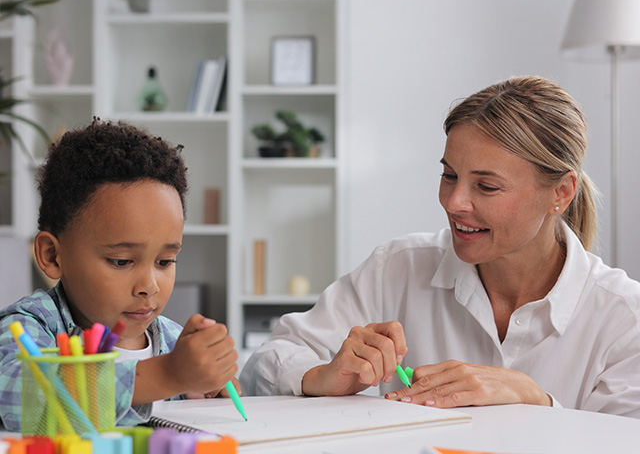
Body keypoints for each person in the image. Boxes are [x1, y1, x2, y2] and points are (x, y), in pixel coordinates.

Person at [240, 76, 640, 418]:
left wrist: (538, 402)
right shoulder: (396, 268)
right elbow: (263, 365)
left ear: (561, 192)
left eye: (486, 186)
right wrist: (322, 376)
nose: (454, 203)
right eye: (449, 176)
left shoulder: (625, 319)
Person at [0, 118, 239, 431]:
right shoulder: (31, 325)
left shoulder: (171, 339)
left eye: (165, 261)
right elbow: (17, 397)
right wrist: (167, 376)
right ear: (52, 255)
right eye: (121, 261)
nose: (148, 286)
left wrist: (211, 383)